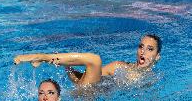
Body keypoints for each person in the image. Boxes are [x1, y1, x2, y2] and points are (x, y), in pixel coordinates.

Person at [14, 34, 162, 85]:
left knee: (94, 60)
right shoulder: (119, 66)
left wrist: (68, 67)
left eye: (150, 49)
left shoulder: (152, 80)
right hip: (88, 90)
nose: (143, 51)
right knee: (95, 60)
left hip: (90, 97)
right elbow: (85, 79)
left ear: (157, 56)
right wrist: (69, 69)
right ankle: (44, 57)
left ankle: (46, 58)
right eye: (141, 47)